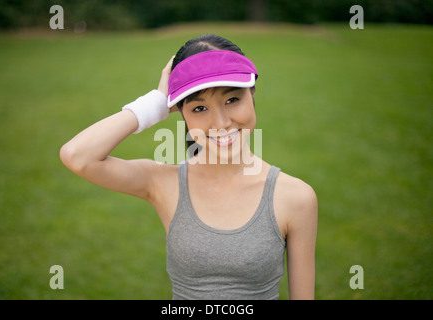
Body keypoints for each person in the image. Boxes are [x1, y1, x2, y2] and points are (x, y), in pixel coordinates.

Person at [60, 34, 318, 300]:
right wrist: (156, 102)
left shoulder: (295, 197)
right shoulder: (163, 183)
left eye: (232, 100)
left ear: (251, 92)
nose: (220, 123)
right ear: (179, 113)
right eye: (199, 108)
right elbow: (77, 156)